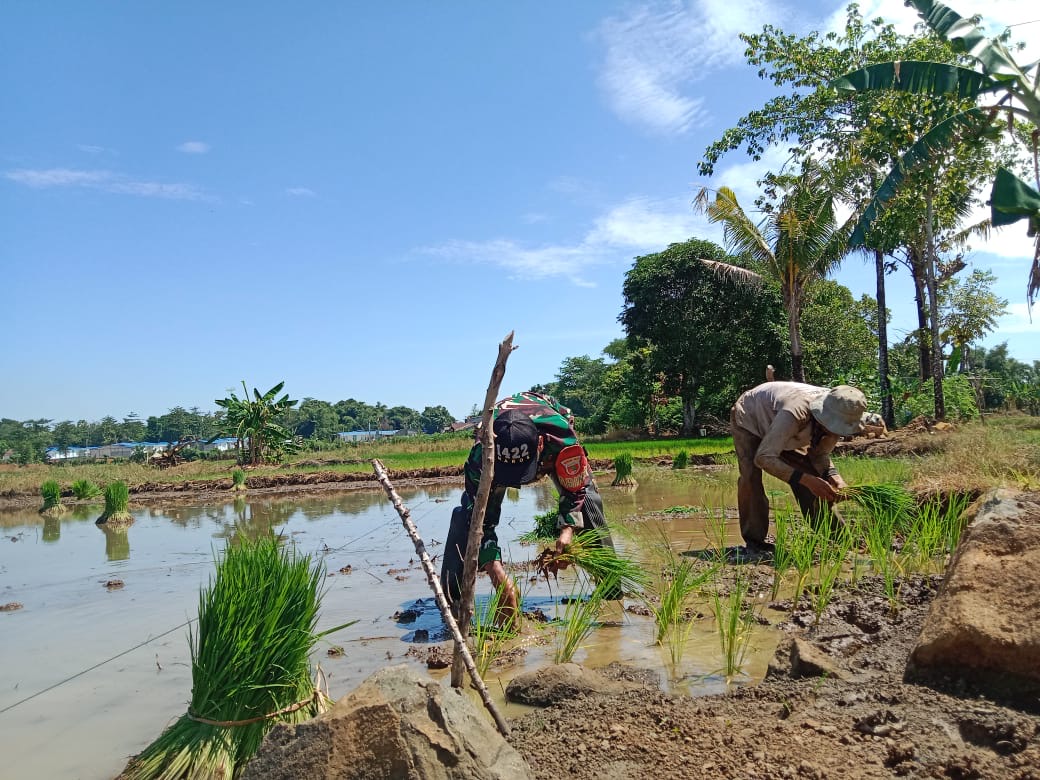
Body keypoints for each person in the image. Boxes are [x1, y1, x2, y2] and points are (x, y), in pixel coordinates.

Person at [440, 391, 618, 624]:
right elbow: (480, 520)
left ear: (540, 445)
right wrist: (498, 576)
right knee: (465, 517)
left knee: (590, 504)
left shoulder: (562, 441)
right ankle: (452, 601)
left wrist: (568, 531)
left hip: (552, 440)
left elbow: (575, 491)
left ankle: (611, 591)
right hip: (496, 455)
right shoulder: (480, 457)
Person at [730, 382, 868, 558]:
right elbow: (763, 458)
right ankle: (755, 543)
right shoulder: (795, 412)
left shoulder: (842, 410)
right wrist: (806, 480)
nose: (835, 432)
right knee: (750, 478)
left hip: (784, 431)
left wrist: (835, 477)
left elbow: (819, 455)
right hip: (750, 417)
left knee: (811, 480)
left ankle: (841, 538)